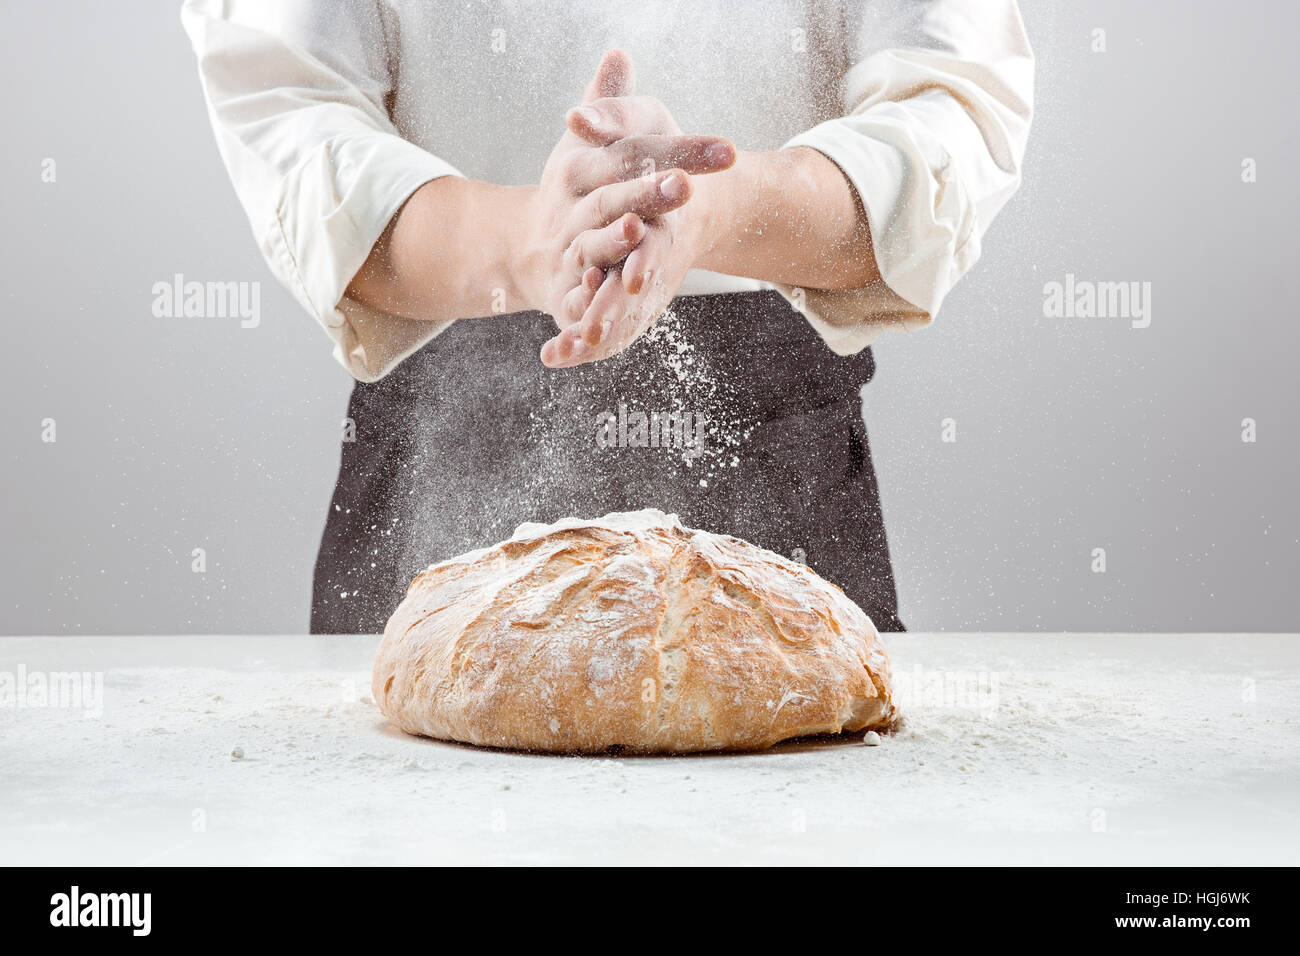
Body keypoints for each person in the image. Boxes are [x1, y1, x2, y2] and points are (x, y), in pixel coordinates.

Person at [182, 0, 1033, 634]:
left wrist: (716, 208)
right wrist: (530, 241)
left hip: (781, 453)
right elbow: (294, 113)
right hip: (437, 446)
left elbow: (951, 107)